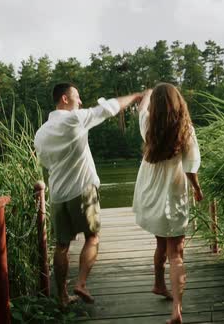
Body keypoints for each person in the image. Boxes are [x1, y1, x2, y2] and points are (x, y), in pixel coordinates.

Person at [34, 83, 143, 308]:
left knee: (62, 245)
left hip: (57, 195)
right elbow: (108, 109)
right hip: (82, 190)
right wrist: (135, 96)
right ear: (65, 99)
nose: (81, 102)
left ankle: (62, 297)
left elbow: (45, 162)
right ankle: (81, 283)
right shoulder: (75, 119)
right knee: (92, 237)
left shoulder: (41, 133)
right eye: (78, 97)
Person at [132, 83, 203, 324]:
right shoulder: (186, 131)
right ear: (179, 102)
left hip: (151, 193)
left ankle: (158, 284)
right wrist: (197, 189)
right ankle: (177, 311)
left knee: (161, 242)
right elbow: (191, 169)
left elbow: (142, 107)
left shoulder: (148, 125)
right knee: (176, 253)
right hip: (173, 195)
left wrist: (148, 94)